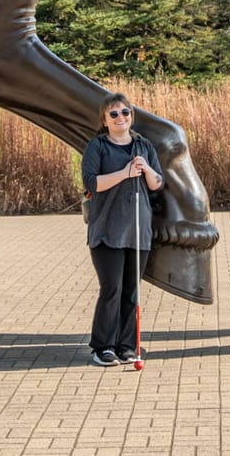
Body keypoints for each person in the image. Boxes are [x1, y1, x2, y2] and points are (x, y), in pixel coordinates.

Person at [80, 90, 161, 367]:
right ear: (104, 119)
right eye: (113, 114)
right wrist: (125, 173)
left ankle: (127, 346)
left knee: (131, 291)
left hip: (137, 230)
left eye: (125, 112)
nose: (120, 117)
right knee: (111, 289)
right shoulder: (98, 147)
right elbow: (92, 183)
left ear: (131, 116)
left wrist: (146, 170)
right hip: (107, 230)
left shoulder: (143, 146)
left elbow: (157, 183)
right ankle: (103, 347)